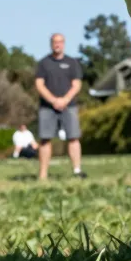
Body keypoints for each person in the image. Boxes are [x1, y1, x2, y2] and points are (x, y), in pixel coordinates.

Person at [34, 33, 85, 180]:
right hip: (47, 107)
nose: (57, 44)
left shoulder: (72, 62)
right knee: (45, 139)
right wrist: (53, 100)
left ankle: (77, 171)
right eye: (54, 42)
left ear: (64, 43)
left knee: (73, 137)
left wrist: (65, 100)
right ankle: (43, 175)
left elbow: (77, 84)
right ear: (51, 44)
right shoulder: (44, 63)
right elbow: (39, 84)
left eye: (60, 42)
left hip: (69, 106)